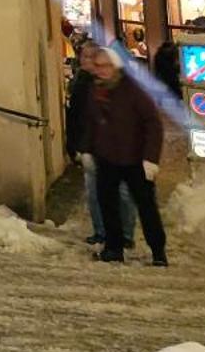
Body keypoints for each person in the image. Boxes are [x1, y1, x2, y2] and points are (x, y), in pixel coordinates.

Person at [81, 43, 168, 266]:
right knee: (108, 203)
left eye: (105, 66)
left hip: (135, 159)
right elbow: (91, 122)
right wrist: (88, 149)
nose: (100, 70)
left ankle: (158, 250)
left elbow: (153, 124)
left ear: (115, 67)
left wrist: (151, 158)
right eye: (98, 66)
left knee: (146, 206)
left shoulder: (133, 91)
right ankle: (114, 247)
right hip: (107, 157)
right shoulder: (96, 90)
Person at [65, 40, 136, 246]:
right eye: (84, 56)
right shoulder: (80, 82)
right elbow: (77, 118)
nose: (86, 61)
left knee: (121, 192)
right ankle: (102, 231)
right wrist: (76, 146)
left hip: (115, 147)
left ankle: (125, 234)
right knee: (95, 193)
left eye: (91, 57)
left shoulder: (107, 84)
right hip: (90, 146)